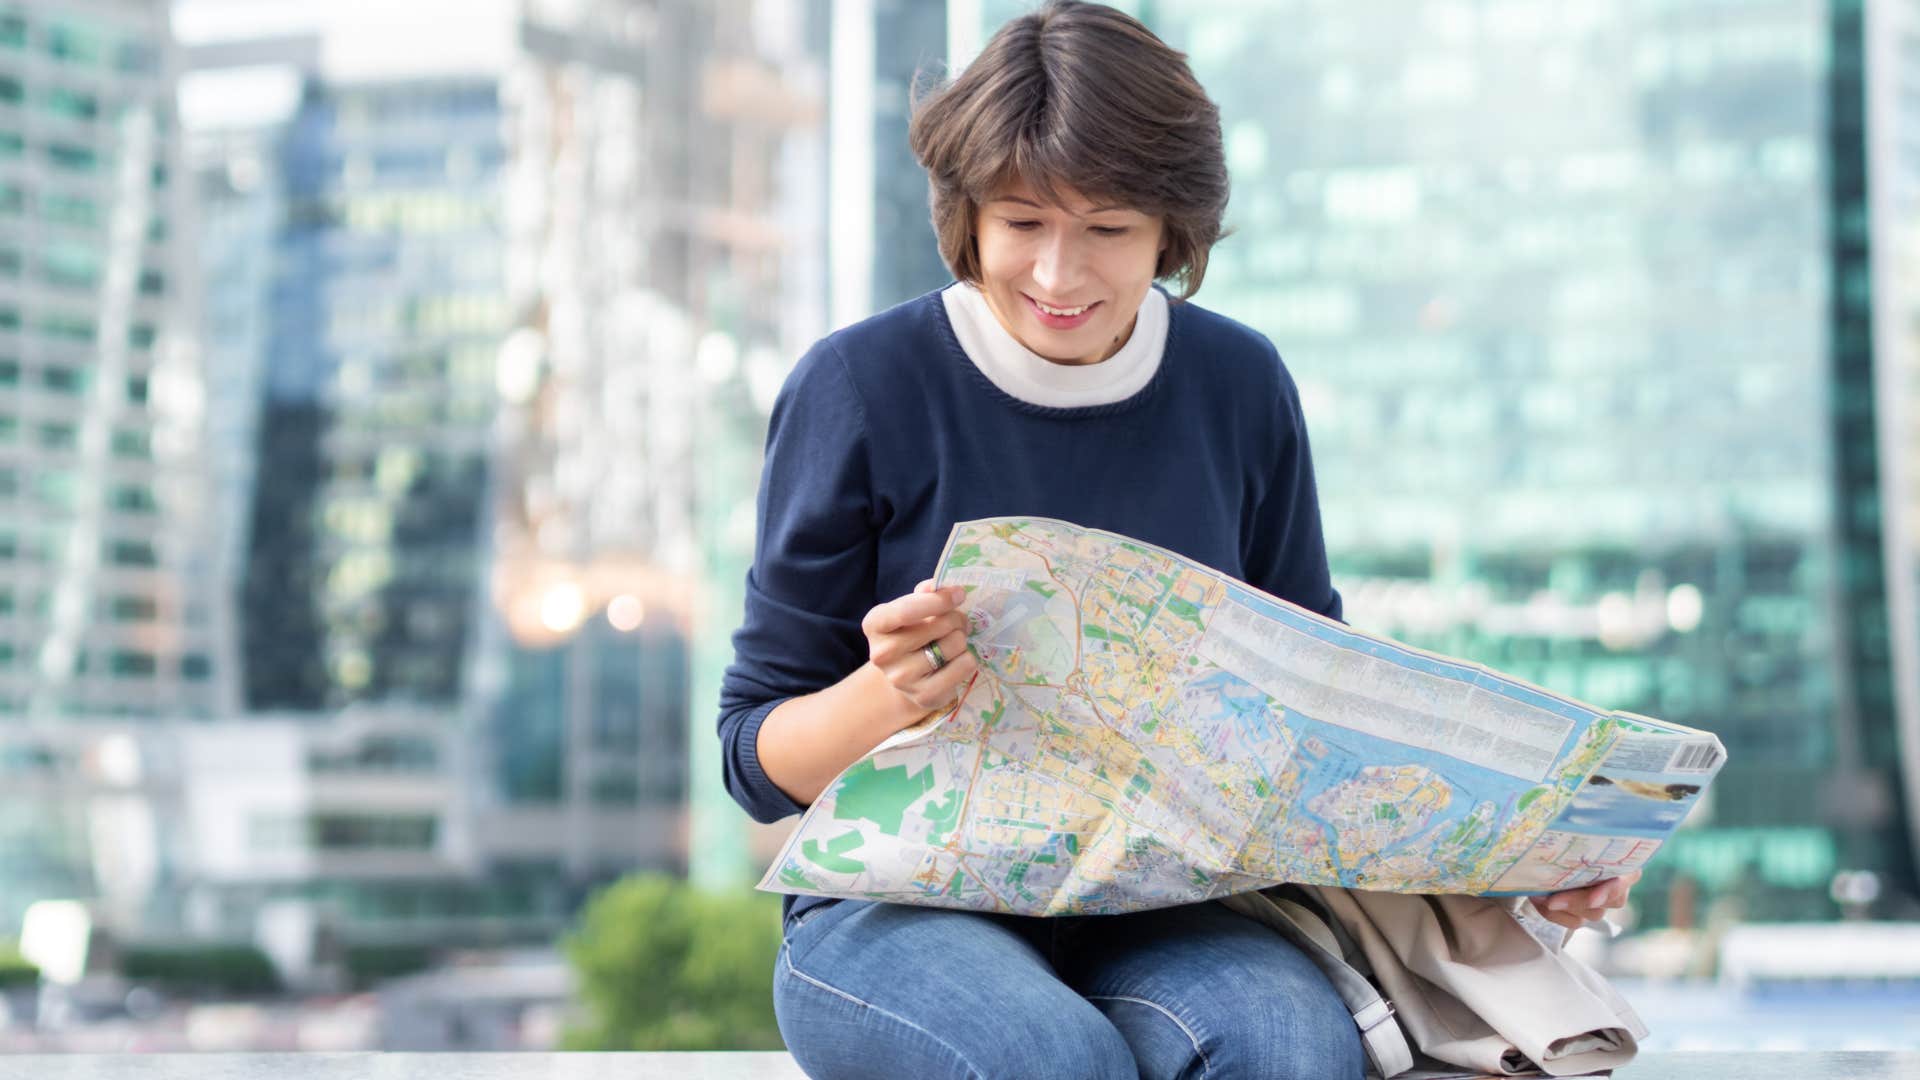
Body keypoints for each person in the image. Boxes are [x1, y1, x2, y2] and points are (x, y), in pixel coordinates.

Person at [716, 4, 1634, 1077]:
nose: (1059, 276)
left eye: (1107, 230)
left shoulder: (1238, 386)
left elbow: (1314, 730)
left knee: (1291, 1047)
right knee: (1051, 1059)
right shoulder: (860, 387)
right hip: (889, 909)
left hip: (1165, 909)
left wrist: (1526, 860)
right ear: (966, 216)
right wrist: (889, 694)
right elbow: (752, 761)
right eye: (1021, 223)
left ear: (1171, 231)